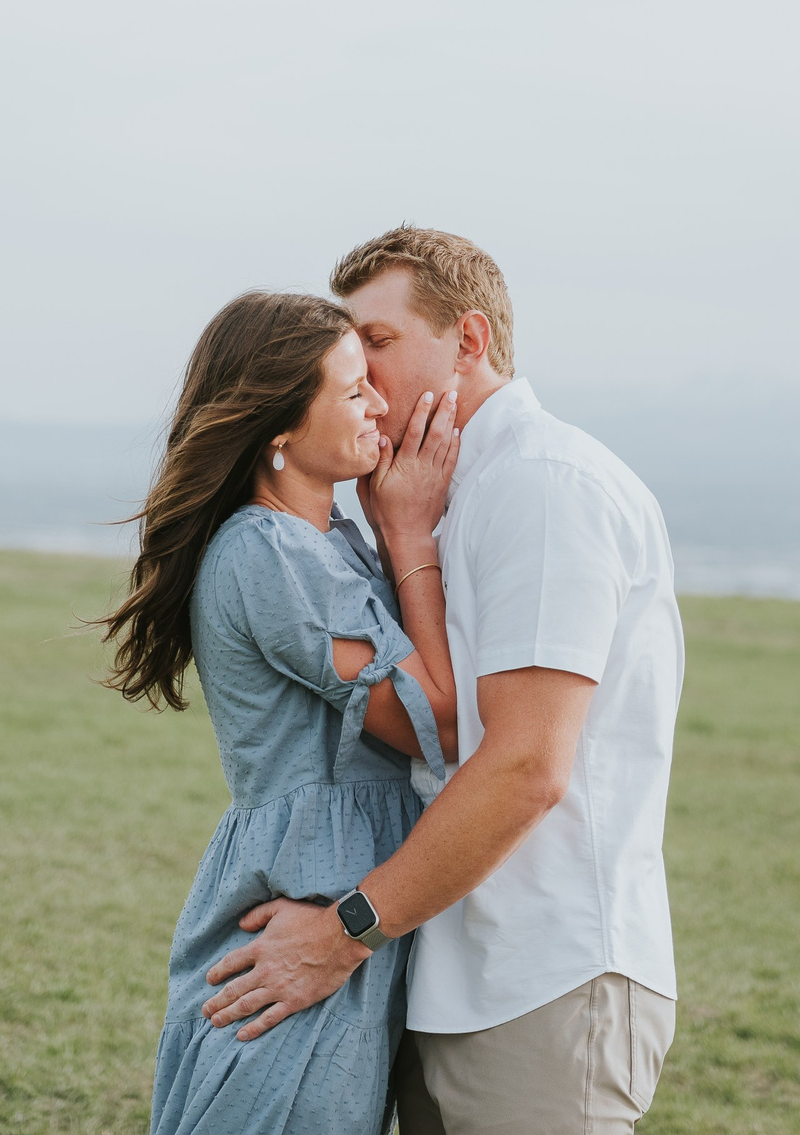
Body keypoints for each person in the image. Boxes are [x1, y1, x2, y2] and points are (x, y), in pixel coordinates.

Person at [200, 229, 684, 1135]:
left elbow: (524, 765)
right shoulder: (435, 494)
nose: (356, 370)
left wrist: (344, 931)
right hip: (442, 970)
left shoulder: (543, 485)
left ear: (468, 341)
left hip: (540, 978)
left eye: (377, 343)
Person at [103, 291, 467, 1135]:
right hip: (305, 898)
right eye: (352, 393)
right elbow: (434, 727)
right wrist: (410, 535)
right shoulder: (271, 552)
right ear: (277, 428)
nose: (380, 402)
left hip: (335, 890)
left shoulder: (323, 540)